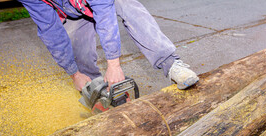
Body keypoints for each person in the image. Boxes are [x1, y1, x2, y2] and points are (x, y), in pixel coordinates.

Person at [18, 0, 199, 92]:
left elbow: (105, 15)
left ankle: (172, 64)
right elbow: (51, 30)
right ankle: (98, 90)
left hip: (106, 2)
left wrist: (114, 65)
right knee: (77, 51)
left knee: (128, 6)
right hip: (74, 11)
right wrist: (74, 73)